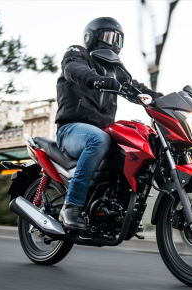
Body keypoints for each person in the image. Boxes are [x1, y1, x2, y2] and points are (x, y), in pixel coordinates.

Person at [55, 17, 161, 231]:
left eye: (118, 39)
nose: (113, 43)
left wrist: (162, 99)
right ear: (91, 37)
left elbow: (135, 87)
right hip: (71, 130)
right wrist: (97, 80)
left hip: (101, 132)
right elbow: (73, 70)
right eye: (108, 37)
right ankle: (71, 206)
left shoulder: (116, 69)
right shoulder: (77, 53)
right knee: (99, 138)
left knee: (139, 141)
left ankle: (116, 207)